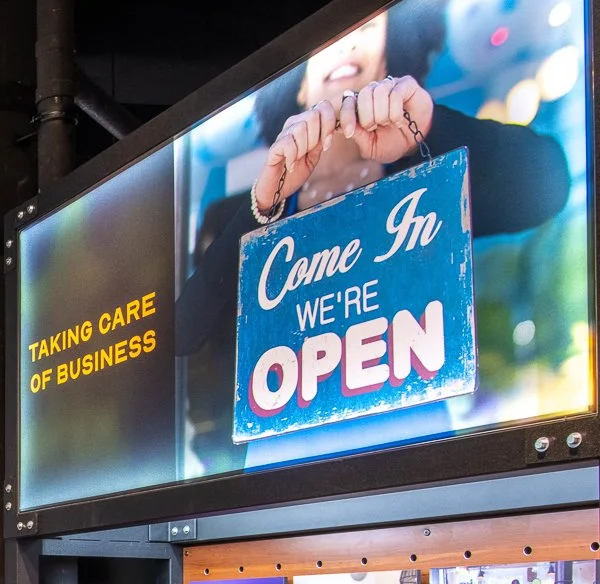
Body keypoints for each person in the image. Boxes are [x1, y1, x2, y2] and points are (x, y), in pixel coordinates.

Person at [174, 8, 572, 474]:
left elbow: (549, 185)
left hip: (416, 487)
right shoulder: (248, 212)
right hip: (273, 497)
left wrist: (431, 129)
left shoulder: (426, 186)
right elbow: (185, 333)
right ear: (297, 86)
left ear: (388, 60)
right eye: (324, 43)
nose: (345, 44)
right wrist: (264, 207)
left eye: (363, 27)